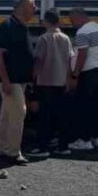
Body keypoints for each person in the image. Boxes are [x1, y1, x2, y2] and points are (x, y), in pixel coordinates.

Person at [0, 0, 37, 165]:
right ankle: (13, 152)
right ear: (22, 7)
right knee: (19, 112)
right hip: (11, 80)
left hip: (19, 80)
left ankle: (0, 150)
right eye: (33, 5)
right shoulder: (8, 26)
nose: (35, 9)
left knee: (7, 115)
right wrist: (5, 80)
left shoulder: (22, 27)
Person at [31, 11, 73, 157]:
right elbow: (70, 61)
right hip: (61, 81)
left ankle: (42, 147)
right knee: (61, 116)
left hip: (45, 81)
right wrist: (68, 79)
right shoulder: (66, 38)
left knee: (44, 116)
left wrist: (33, 78)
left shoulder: (44, 38)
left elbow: (38, 60)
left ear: (46, 21)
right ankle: (63, 147)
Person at [68, 7, 98, 151]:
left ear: (79, 17)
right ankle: (97, 137)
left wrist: (75, 74)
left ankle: (84, 140)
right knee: (94, 106)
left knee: (83, 107)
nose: (72, 24)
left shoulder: (83, 32)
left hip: (87, 73)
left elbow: (82, 54)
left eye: (72, 20)